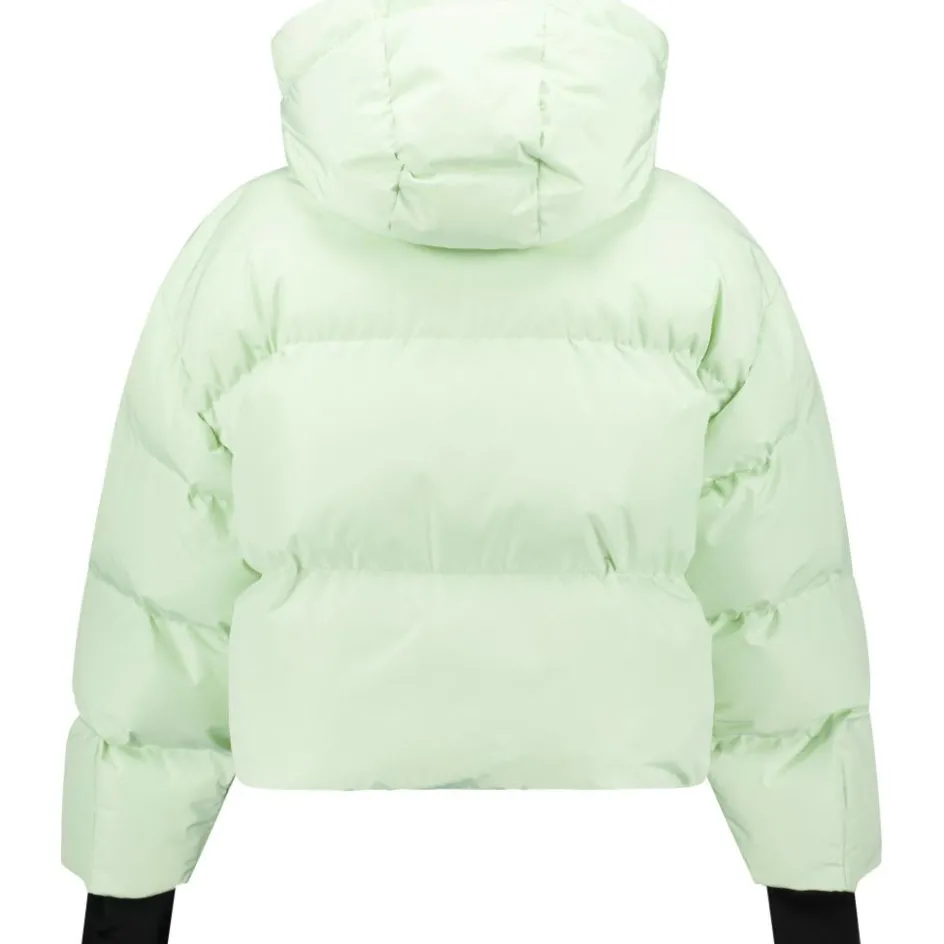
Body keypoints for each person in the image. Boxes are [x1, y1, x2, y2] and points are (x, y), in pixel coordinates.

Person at [64, 2, 880, 941]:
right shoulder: (703, 258)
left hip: (303, 869)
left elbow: (160, 612)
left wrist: (123, 901)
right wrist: (817, 900)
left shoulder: (245, 260)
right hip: (637, 866)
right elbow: (778, 609)